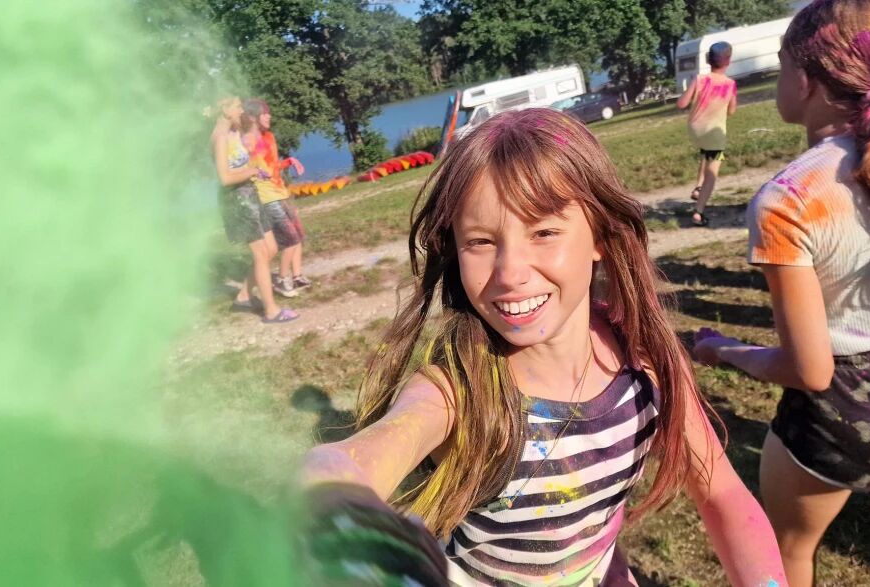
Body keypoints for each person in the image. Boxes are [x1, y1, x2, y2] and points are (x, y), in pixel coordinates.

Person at [300, 108, 787, 586]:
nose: (510, 273)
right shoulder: (457, 392)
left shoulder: (648, 359)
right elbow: (352, 461)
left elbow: (722, 493)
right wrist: (329, 491)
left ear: (600, 234)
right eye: (480, 241)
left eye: (544, 232)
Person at [691, 1, 870, 585]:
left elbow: (811, 370)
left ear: (807, 81)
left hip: (846, 404)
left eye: (781, 65)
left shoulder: (788, 198)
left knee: (785, 558)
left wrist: (723, 350)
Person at [210, 97, 297, 323]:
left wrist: (255, 168)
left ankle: (244, 296)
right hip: (237, 199)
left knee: (271, 248)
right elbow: (224, 178)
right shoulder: (220, 138)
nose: (241, 110)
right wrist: (252, 171)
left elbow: (249, 141)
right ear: (225, 110)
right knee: (260, 253)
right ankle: (271, 311)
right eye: (237, 106)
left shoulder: (232, 132)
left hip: (249, 193)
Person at [242, 98, 310, 299]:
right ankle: (281, 279)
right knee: (290, 239)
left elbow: (271, 168)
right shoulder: (246, 141)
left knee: (298, 234)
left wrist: (288, 161)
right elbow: (247, 170)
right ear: (253, 117)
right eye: (265, 113)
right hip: (267, 197)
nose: (269, 116)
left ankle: (297, 276)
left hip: (280, 192)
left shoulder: (269, 137)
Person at [677, 42, 738, 227]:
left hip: (695, 130)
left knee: (705, 153)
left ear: (708, 60)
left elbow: (681, 104)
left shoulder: (699, 79)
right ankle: (699, 212)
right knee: (712, 172)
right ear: (728, 61)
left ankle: (698, 188)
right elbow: (732, 111)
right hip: (714, 134)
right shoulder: (730, 84)